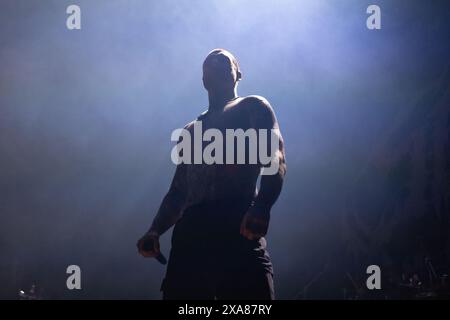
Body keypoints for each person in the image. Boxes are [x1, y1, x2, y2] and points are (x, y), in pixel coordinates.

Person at [137, 49, 286, 299]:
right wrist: (154, 230)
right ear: (203, 79)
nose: (216, 59)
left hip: (237, 223)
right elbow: (179, 192)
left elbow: (275, 156)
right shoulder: (190, 131)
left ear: (238, 73)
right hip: (192, 235)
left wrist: (262, 205)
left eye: (225, 60)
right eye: (210, 62)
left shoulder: (253, 106)